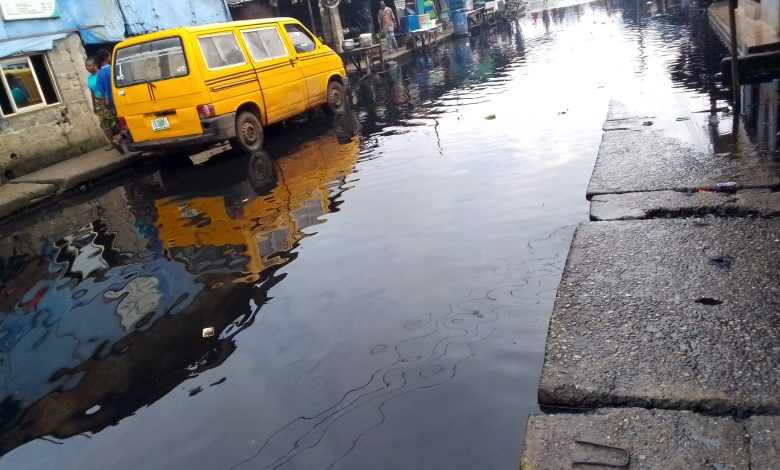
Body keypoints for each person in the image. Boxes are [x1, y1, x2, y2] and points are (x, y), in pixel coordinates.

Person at [93, 49, 124, 154]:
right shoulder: (113, 69)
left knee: (117, 120)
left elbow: (101, 90)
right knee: (124, 120)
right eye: (110, 56)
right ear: (107, 57)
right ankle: (119, 138)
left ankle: (116, 140)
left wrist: (105, 102)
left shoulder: (100, 73)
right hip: (120, 98)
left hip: (110, 101)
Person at [85, 58, 116, 151]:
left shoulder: (101, 74)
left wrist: (107, 99)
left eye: (89, 65)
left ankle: (122, 138)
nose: (87, 67)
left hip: (108, 100)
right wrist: (94, 105)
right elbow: (92, 92)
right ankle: (112, 142)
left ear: (95, 65)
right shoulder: (89, 78)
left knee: (114, 119)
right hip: (98, 102)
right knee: (103, 123)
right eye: (86, 66)